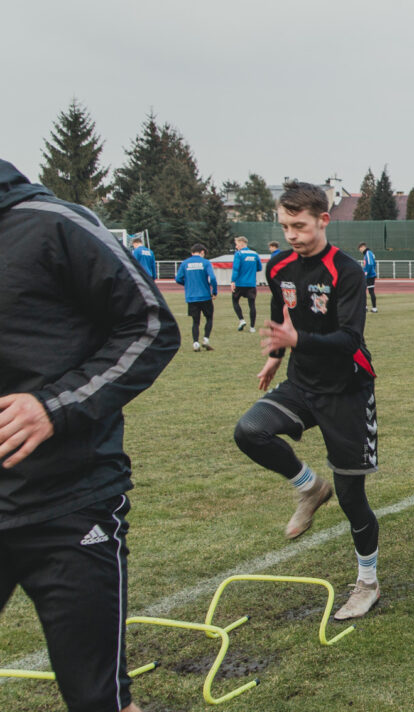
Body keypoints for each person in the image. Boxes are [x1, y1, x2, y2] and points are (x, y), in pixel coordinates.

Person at [0, 159, 180, 712]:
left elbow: (151, 327)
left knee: (99, 700)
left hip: (68, 506)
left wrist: (54, 406)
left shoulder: (53, 224)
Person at [233, 181, 381, 620]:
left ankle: (367, 583)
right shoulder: (278, 267)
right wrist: (276, 357)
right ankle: (309, 487)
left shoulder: (347, 272)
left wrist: (298, 339)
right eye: (284, 226)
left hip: (348, 390)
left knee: (352, 497)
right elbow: (282, 314)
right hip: (302, 383)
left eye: (299, 226)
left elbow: (350, 338)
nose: (292, 234)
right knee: (250, 431)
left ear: (323, 220)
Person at [175, 243, 219, 351]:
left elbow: (178, 279)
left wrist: (187, 284)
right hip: (205, 296)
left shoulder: (185, 263)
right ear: (202, 252)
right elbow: (212, 278)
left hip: (191, 297)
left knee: (195, 321)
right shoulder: (206, 262)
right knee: (209, 318)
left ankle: (195, 343)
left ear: (192, 252)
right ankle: (206, 340)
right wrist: (214, 291)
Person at [231, 235, 262, 332]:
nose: (236, 247)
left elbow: (236, 268)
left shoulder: (238, 254)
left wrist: (233, 281)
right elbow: (259, 268)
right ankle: (252, 327)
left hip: (240, 283)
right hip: (251, 284)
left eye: (236, 244)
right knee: (252, 305)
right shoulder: (255, 254)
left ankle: (241, 320)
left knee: (235, 301)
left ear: (241, 243)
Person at [358, 242, 378, 313]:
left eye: (360, 249)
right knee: (365, 291)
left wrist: (366, 274)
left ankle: (373, 308)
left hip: (369, 276)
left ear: (363, 247)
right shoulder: (369, 253)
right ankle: (367, 307)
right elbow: (374, 264)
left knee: (370, 291)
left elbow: (370, 264)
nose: (360, 251)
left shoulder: (368, 253)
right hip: (370, 275)